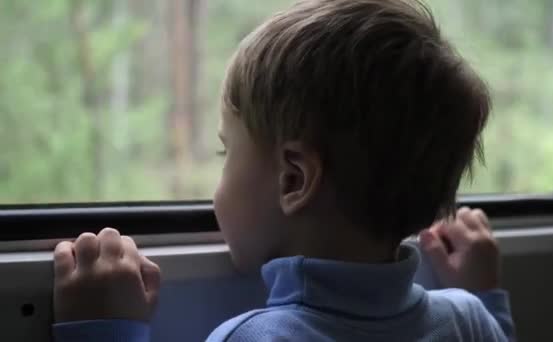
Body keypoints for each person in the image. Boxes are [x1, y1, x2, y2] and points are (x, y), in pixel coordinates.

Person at [52, 0, 515, 341]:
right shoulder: (467, 321)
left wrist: (103, 328)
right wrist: (485, 294)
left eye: (226, 154)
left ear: (293, 180)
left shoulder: (257, 339)